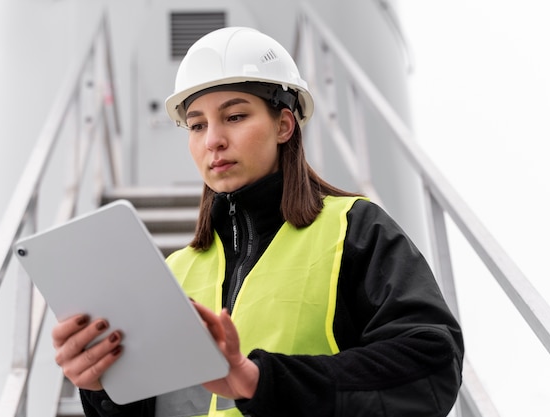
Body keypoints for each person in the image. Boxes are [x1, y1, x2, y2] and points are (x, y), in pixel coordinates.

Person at [51, 27, 464, 417]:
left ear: (284, 124)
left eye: (234, 116)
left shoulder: (353, 229)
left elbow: (431, 362)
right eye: (197, 125)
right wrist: (100, 385)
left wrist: (260, 381)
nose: (212, 139)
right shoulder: (174, 271)